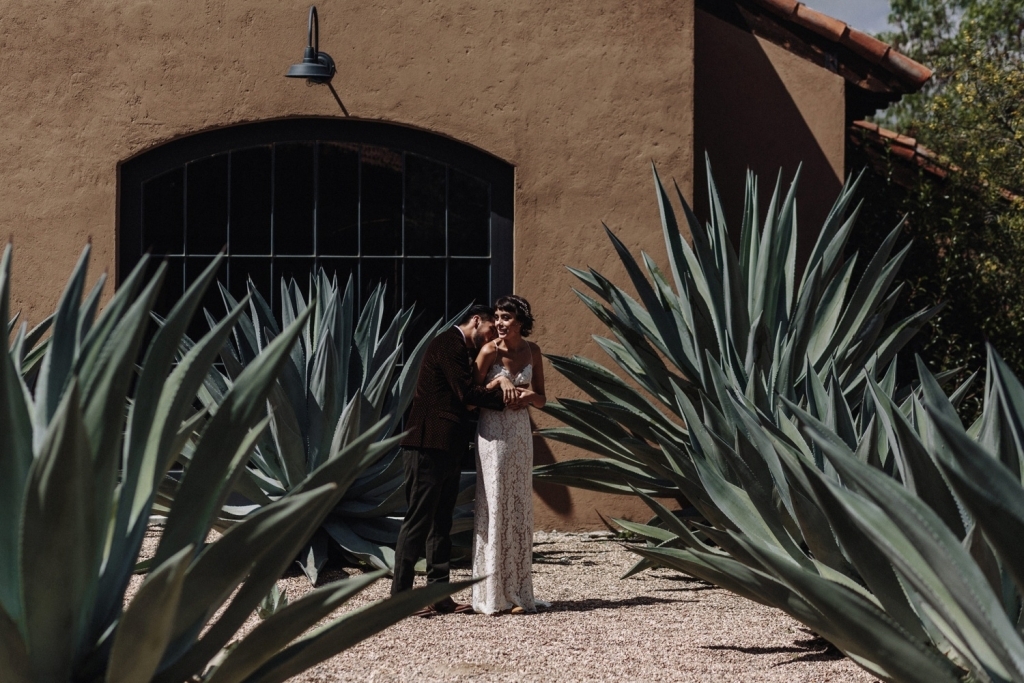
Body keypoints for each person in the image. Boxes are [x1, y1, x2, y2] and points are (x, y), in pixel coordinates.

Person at [391, 304, 508, 616]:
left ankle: (439, 596)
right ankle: (399, 600)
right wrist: (503, 395)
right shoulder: (447, 343)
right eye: (488, 329)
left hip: (448, 447)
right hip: (426, 444)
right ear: (475, 320)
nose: (490, 336)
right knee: (418, 521)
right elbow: (466, 393)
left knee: (442, 522)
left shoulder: (462, 350)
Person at [472, 295, 546, 615]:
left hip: (519, 433)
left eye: (506, 318)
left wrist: (529, 396)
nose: (499, 323)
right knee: (497, 504)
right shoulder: (489, 351)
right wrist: (497, 382)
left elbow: (542, 399)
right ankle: (492, 592)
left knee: (518, 505)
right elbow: (469, 396)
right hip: (492, 433)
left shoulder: (533, 351)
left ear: (520, 322)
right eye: (498, 317)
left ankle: (517, 591)